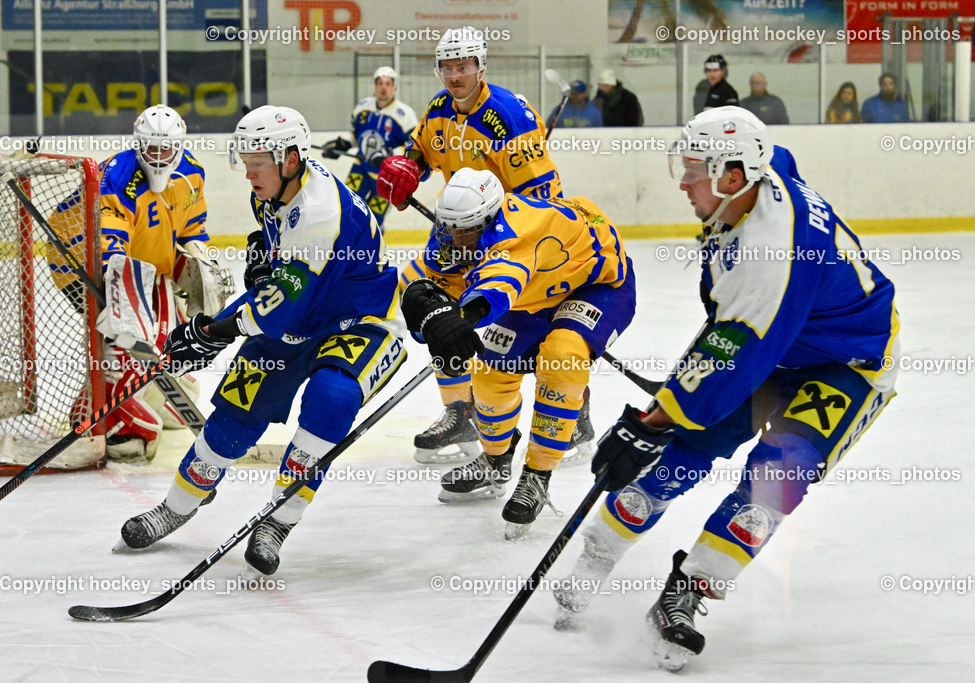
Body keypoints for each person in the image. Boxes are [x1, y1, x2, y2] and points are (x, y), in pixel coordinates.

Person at [554, 107, 899, 672]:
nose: (683, 183)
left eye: (694, 172)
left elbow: (737, 353)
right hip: (774, 341)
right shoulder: (758, 174)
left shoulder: (772, 253)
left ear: (732, 176)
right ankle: (597, 556)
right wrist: (663, 422)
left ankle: (688, 591)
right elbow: (781, 158)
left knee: (777, 475)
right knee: (680, 454)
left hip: (846, 363)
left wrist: (649, 424)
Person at [117, 105, 406, 577]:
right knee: (235, 414)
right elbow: (279, 284)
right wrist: (262, 261)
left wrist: (211, 331)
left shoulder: (319, 213)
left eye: (258, 164)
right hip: (301, 313)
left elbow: (276, 308)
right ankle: (177, 506)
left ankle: (279, 520)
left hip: (360, 320)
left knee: (332, 398)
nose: (248, 174)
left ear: (290, 159)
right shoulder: (272, 191)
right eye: (245, 162)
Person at [376, 26, 593, 466]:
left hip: (510, 238)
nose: (455, 75)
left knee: (536, 325)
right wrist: (407, 170)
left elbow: (542, 194)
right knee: (428, 302)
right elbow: (420, 151)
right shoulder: (438, 109)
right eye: (448, 67)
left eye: (464, 66)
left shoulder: (508, 115)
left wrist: (514, 246)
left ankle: (576, 417)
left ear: (481, 66)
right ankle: (460, 410)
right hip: (455, 232)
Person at [400, 168, 636, 539]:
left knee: (562, 356)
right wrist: (421, 309)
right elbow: (421, 280)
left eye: (465, 230)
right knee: (490, 375)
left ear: (489, 220)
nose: (454, 238)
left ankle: (537, 475)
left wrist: (462, 319)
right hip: (537, 290)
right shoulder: (457, 229)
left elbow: (498, 285)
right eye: (449, 227)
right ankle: (495, 460)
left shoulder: (518, 234)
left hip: (597, 285)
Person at [48, 104, 234, 462]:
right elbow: (111, 246)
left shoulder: (191, 173)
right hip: (78, 259)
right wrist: (123, 304)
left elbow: (192, 228)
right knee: (125, 336)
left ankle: (151, 394)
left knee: (167, 334)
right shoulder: (118, 176)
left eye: (166, 148)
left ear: (180, 145)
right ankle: (98, 415)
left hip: (140, 260)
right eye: (151, 147)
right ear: (138, 143)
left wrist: (199, 261)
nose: (159, 155)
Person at [320, 67, 418, 231]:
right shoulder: (363, 107)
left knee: (373, 221)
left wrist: (390, 157)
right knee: (346, 208)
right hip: (361, 169)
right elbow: (356, 136)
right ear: (375, 86)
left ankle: (373, 246)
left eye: (388, 83)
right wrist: (342, 145)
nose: (383, 87)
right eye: (380, 83)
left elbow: (413, 147)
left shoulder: (405, 115)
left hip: (387, 177)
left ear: (394, 87)